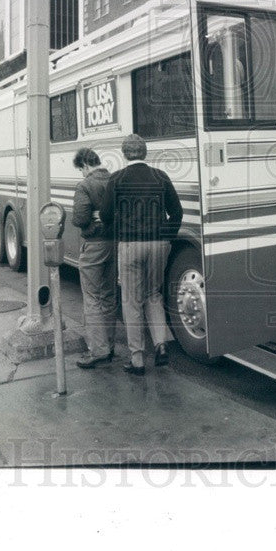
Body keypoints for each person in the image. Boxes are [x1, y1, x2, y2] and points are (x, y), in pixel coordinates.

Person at [100, 134, 182, 376]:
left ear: (125, 154)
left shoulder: (117, 178)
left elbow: (105, 215)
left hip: (131, 245)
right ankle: (161, 345)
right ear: (144, 153)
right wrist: (166, 237)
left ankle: (137, 359)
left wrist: (119, 228)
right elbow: (176, 212)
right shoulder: (161, 176)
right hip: (158, 244)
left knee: (131, 300)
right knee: (153, 294)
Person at [70, 147, 118, 369]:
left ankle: (98, 351)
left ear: (85, 165)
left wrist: (92, 222)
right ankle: (109, 345)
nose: (82, 174)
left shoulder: (85, 185)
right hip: (115, 243)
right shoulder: (115, 180)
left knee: (91, 297)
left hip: (94, 244)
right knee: (109, 295)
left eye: (81, 169)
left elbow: (79, 218)